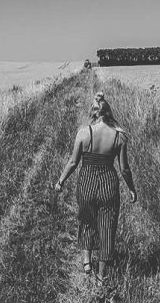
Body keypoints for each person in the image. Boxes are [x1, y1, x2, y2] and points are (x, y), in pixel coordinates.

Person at [55, 92, 137, 288]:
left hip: (87, 182)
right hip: (109, 183)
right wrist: (132, 188)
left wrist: (61, 181)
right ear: (108, 112)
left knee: (87, 219)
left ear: (93, 113)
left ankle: (86, 262)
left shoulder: (84, 133)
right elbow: (124, 169)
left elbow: (73, 162)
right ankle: (101, 277)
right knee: (107, 227)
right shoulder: (120, 136)